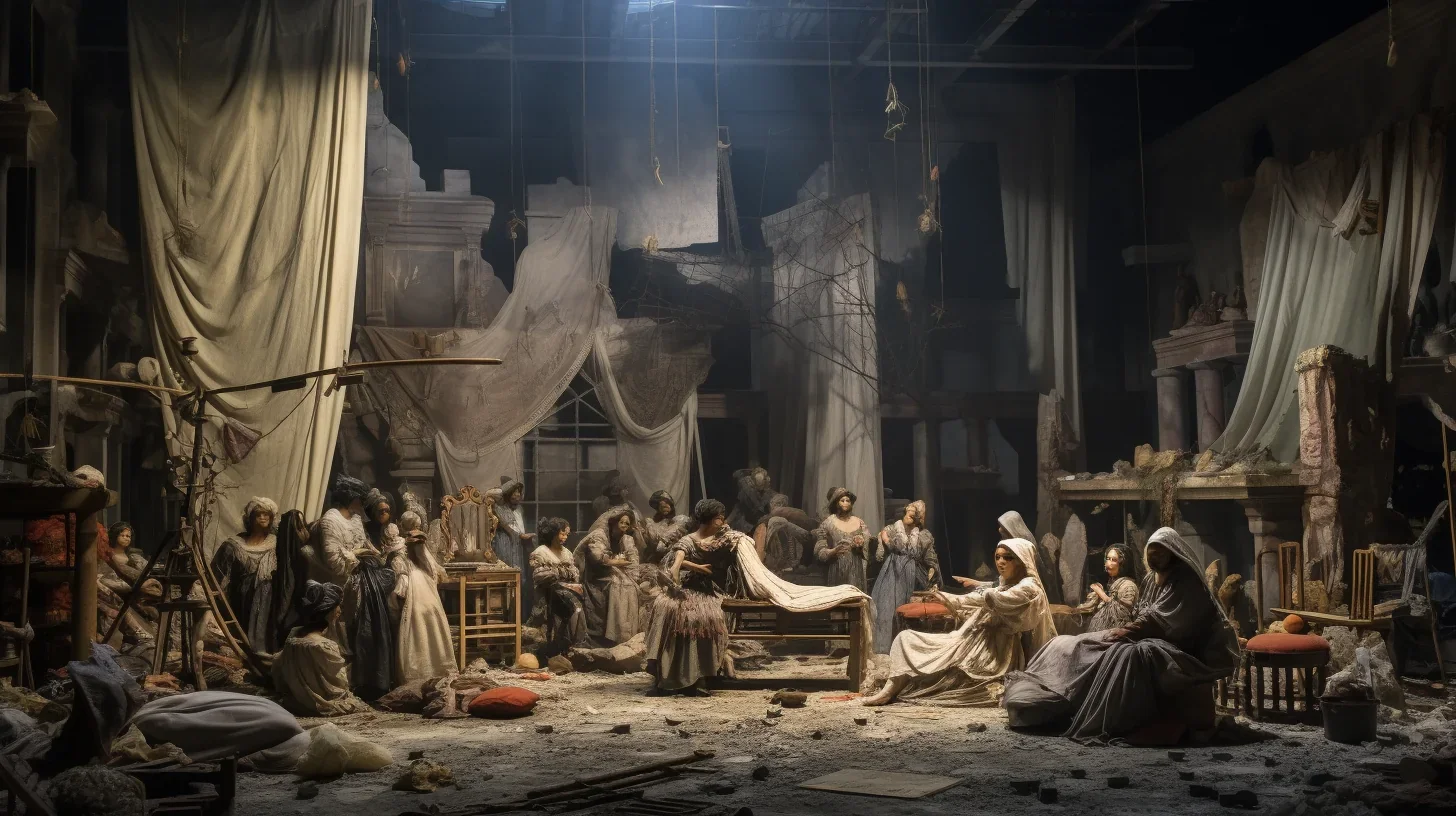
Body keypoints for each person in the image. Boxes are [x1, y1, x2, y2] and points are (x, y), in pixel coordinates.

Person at [1002, 527, 1239, 744]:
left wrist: (1122, 632)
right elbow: (1142, 616)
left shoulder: (1184, 580)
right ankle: (1052, 693)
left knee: (1127, 654)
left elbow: (1160, 622)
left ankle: (1109, 718)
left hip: (1182, 647)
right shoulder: (1155, 577)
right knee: (1076, 643)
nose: (1155, 559)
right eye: (1152, 554)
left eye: (1160, 553)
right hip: (1148, 634)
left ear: (1173, 553)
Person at [862, 537, 1055, 707]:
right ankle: (891, 688)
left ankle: (892, 691)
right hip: (972, 639)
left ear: (1022, 562)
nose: (1001, 562)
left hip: (994, 650)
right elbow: (985, 596)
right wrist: (948, 598)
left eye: (1008, 557)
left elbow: (988, 598)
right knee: (906, 638)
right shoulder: (1006, 584)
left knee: (924, 654)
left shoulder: (1029, 588)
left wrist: (950, 598)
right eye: (998, 557)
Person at [644, 499, 744, 695]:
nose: (722, 521)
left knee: (703, 618)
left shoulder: (725, 537)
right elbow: (678, 556)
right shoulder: (689, 539)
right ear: (712, 520)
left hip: (710, 591)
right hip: (689, 588)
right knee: (669, 611)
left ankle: (700, 676)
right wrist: (684, 568)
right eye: (719, 518)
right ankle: (667, 676)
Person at [272, 580, 370, 716]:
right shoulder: (324, 646)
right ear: (328, 612)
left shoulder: (292, 641)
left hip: (297, 701)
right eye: (337, 607)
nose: (339, 611)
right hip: (320, 702)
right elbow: (339, 684)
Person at [208, 497, 281, 653]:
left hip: (267, 600)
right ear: (250, 518)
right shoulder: (234, 545)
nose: (263, 517)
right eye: (258, 514)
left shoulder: (276, 544)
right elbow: (216, 574)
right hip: (240, 598)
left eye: (266, 514)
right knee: (240, 633)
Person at [870, 500, 941, 653]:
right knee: (887, 605)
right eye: (910, 511)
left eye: (916, 513)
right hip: (893, 570)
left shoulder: (923, 535)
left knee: (909, 608)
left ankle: (906, 647)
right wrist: (886, 541)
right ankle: (885, 647)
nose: (912, 515)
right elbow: (880, 554)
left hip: (913, 572)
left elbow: (930, 558)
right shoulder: (892, 529)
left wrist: (931, 571)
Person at [351, 488, 400, 701]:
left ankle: (388, 678)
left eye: (387, 511)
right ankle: (369, 681)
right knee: (369, 632)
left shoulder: (393, 532)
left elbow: (399, 559)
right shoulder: (364, 532)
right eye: (379, 511)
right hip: (369, 586)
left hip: (391, 585)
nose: (384, 514)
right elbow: (358, 555)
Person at [395, 526, 456, 685]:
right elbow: (401, 591)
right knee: (419, 636)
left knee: (433, 634)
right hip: (417, 609)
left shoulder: (425, 568)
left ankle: (437, 670)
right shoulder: (405, 565)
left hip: (431, 609)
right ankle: (420, 675)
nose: (420, 551)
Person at [575, 508, 641, 645]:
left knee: (629, 586)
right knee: (617, 585)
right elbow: (598, 558)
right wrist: (619, 562)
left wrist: (624, 563)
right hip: (594, 574)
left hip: (610, 571)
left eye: (627, 524)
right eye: (621, 522)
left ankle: (623, 633)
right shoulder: (600, 535)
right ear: (614, 522)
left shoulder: (626, 538)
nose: (624, 526)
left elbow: (633, 558)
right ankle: (611, 633)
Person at [528, 517, 588, 660]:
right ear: (553, 533)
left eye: (566, 534)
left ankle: (573, 646)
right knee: (570, 605)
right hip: (548, 592)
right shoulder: (541, 552)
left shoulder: (567, 552)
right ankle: (555, 650)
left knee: (578, 605)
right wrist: (562, 574)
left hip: (566, 591)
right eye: (562, 534)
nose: (564, 537)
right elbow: (540, 575)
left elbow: (575, 573)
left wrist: (563, 576)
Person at [997, 510, 1063, 605]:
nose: (999, 529)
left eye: (1002, 526)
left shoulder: (1024, 546)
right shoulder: (1007, 546)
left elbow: (1025, 578)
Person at [1071, 544, 1140, 634]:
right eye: (1108, 559)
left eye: (1114, 560)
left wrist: (1102, 594)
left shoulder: (1129, 585)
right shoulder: (1111, 582)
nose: (1108, 563)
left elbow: (1122, 615)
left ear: (1123, 564)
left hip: (1118, 634)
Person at [270, 509, 311, 654]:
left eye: (303, 525)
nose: (304, 531)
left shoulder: (306, 549)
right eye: (299, 528)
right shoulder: (286, 556)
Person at [813, 488, 870, 590]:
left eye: (848, 501)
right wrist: (833, 551)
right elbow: (820, 548)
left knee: (854, 596)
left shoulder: (859, 522)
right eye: (842, 500)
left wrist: (860, 544)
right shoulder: (829, 522)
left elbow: (866, 545)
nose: (845, 503)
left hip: (855, 568)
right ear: (836, 503)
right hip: (837, 566)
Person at [642, 491, 692, 564]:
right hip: (655, 558)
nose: (663, 509)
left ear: (670, 505)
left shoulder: (680, 520)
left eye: (665, 506)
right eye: (660, 507)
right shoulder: (653, 523)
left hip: (673, 557)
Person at [726, 467, 774, 535]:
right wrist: (726, 522)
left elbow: (771, 513)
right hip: (744, 524)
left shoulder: (771, 497)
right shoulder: (746, 490)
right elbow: (738, 507)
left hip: (761, 526)